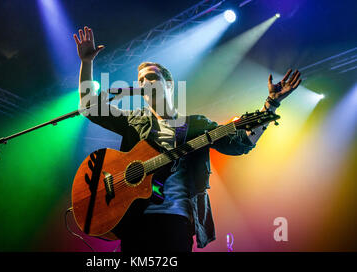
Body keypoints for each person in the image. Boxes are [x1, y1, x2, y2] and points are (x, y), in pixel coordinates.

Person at [73, 26, 301, 252]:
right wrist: (87, 62)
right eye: (141, 80)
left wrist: (271, 104)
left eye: (151, 77)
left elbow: (241, 144)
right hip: (134, 222)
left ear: (169, 85)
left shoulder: (197, 125)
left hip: (175, 223)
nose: (145, 83)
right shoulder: (134, 121)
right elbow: (89, 107)